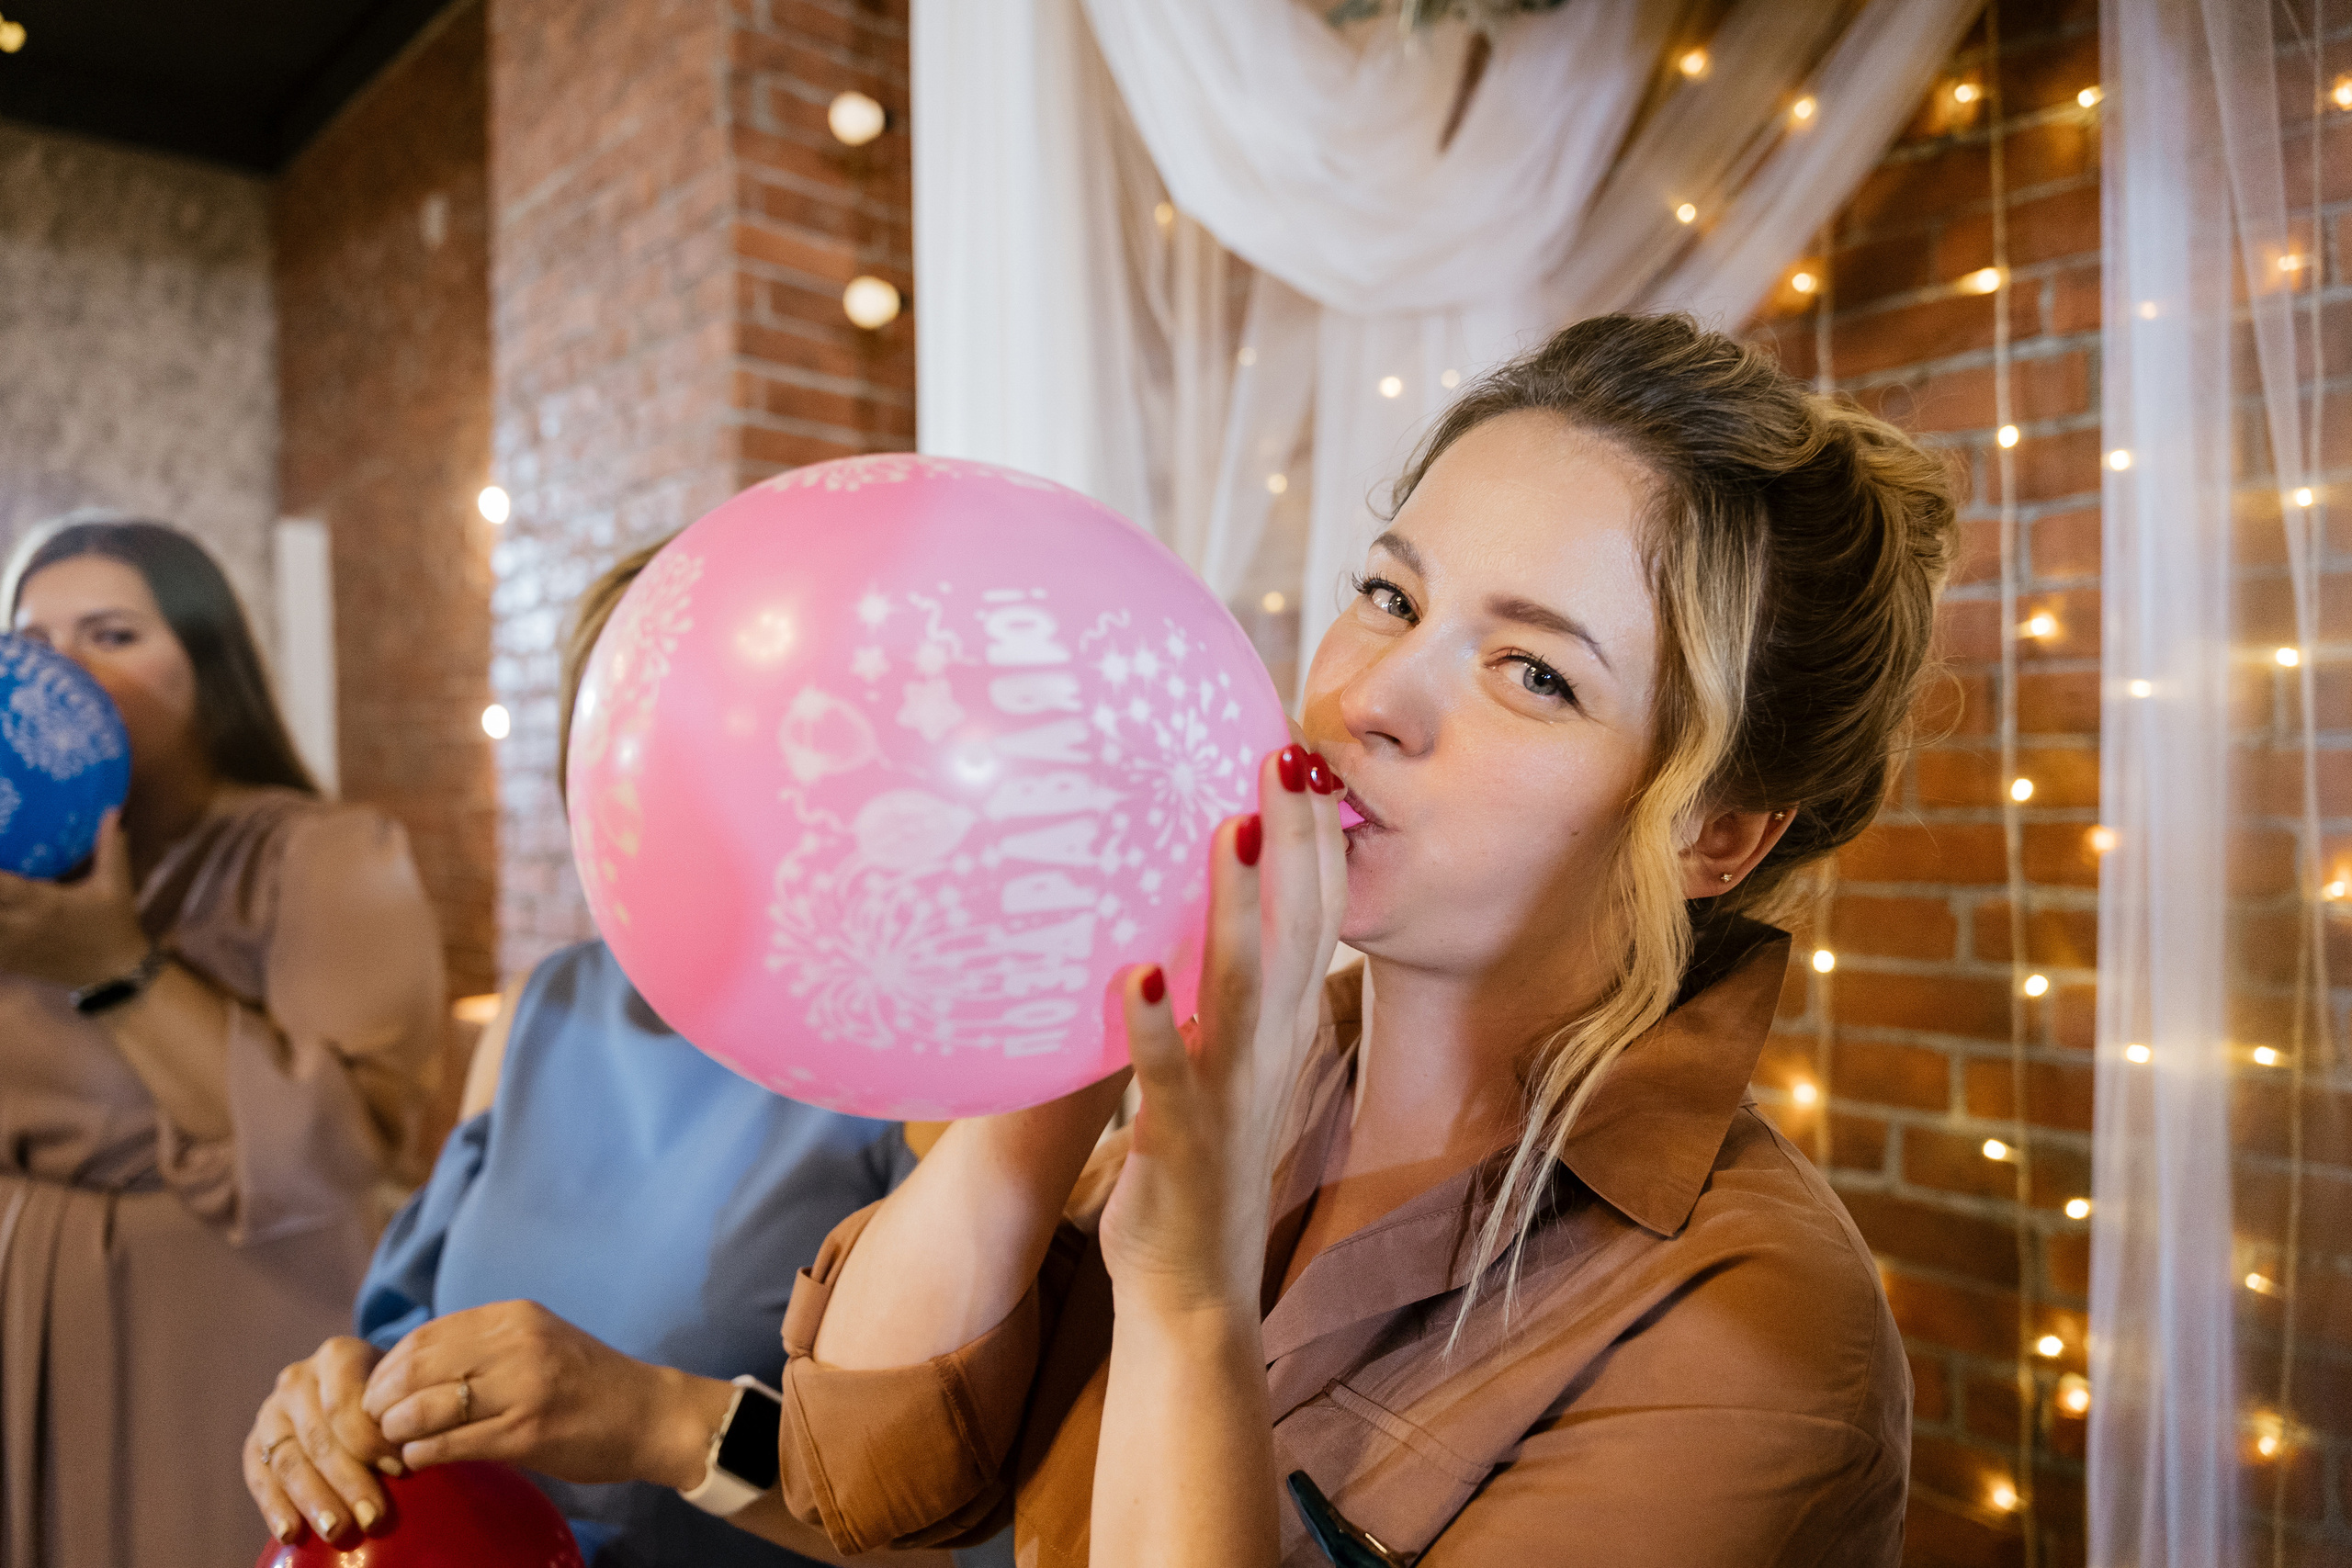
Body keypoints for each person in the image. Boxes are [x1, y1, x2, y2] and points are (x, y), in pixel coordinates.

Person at [761, 315, 1956, 1565]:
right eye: (1392, 594)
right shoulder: (1256, 1076)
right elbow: (862, 1476)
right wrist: (1088, 1017)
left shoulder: (1758, 1330)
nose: (1368, 698)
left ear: (1715, 835)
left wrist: (1187, 1292)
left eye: (1534, 672)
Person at [242, 539, 978, 1568]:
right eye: (618, 733)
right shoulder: (548, 1005)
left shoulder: (927, 1062)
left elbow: (967, 1537)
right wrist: (334, 1402)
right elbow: (410, 1328)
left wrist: (659, 1422)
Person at [0, 517, 446, 1568]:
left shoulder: (325, 855)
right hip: (25, 1307)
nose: (58, 668)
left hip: (225, 1329)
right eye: (31, 637)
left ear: (209, 668)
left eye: (110, 634)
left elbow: (328, 1163)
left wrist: (119, 967)